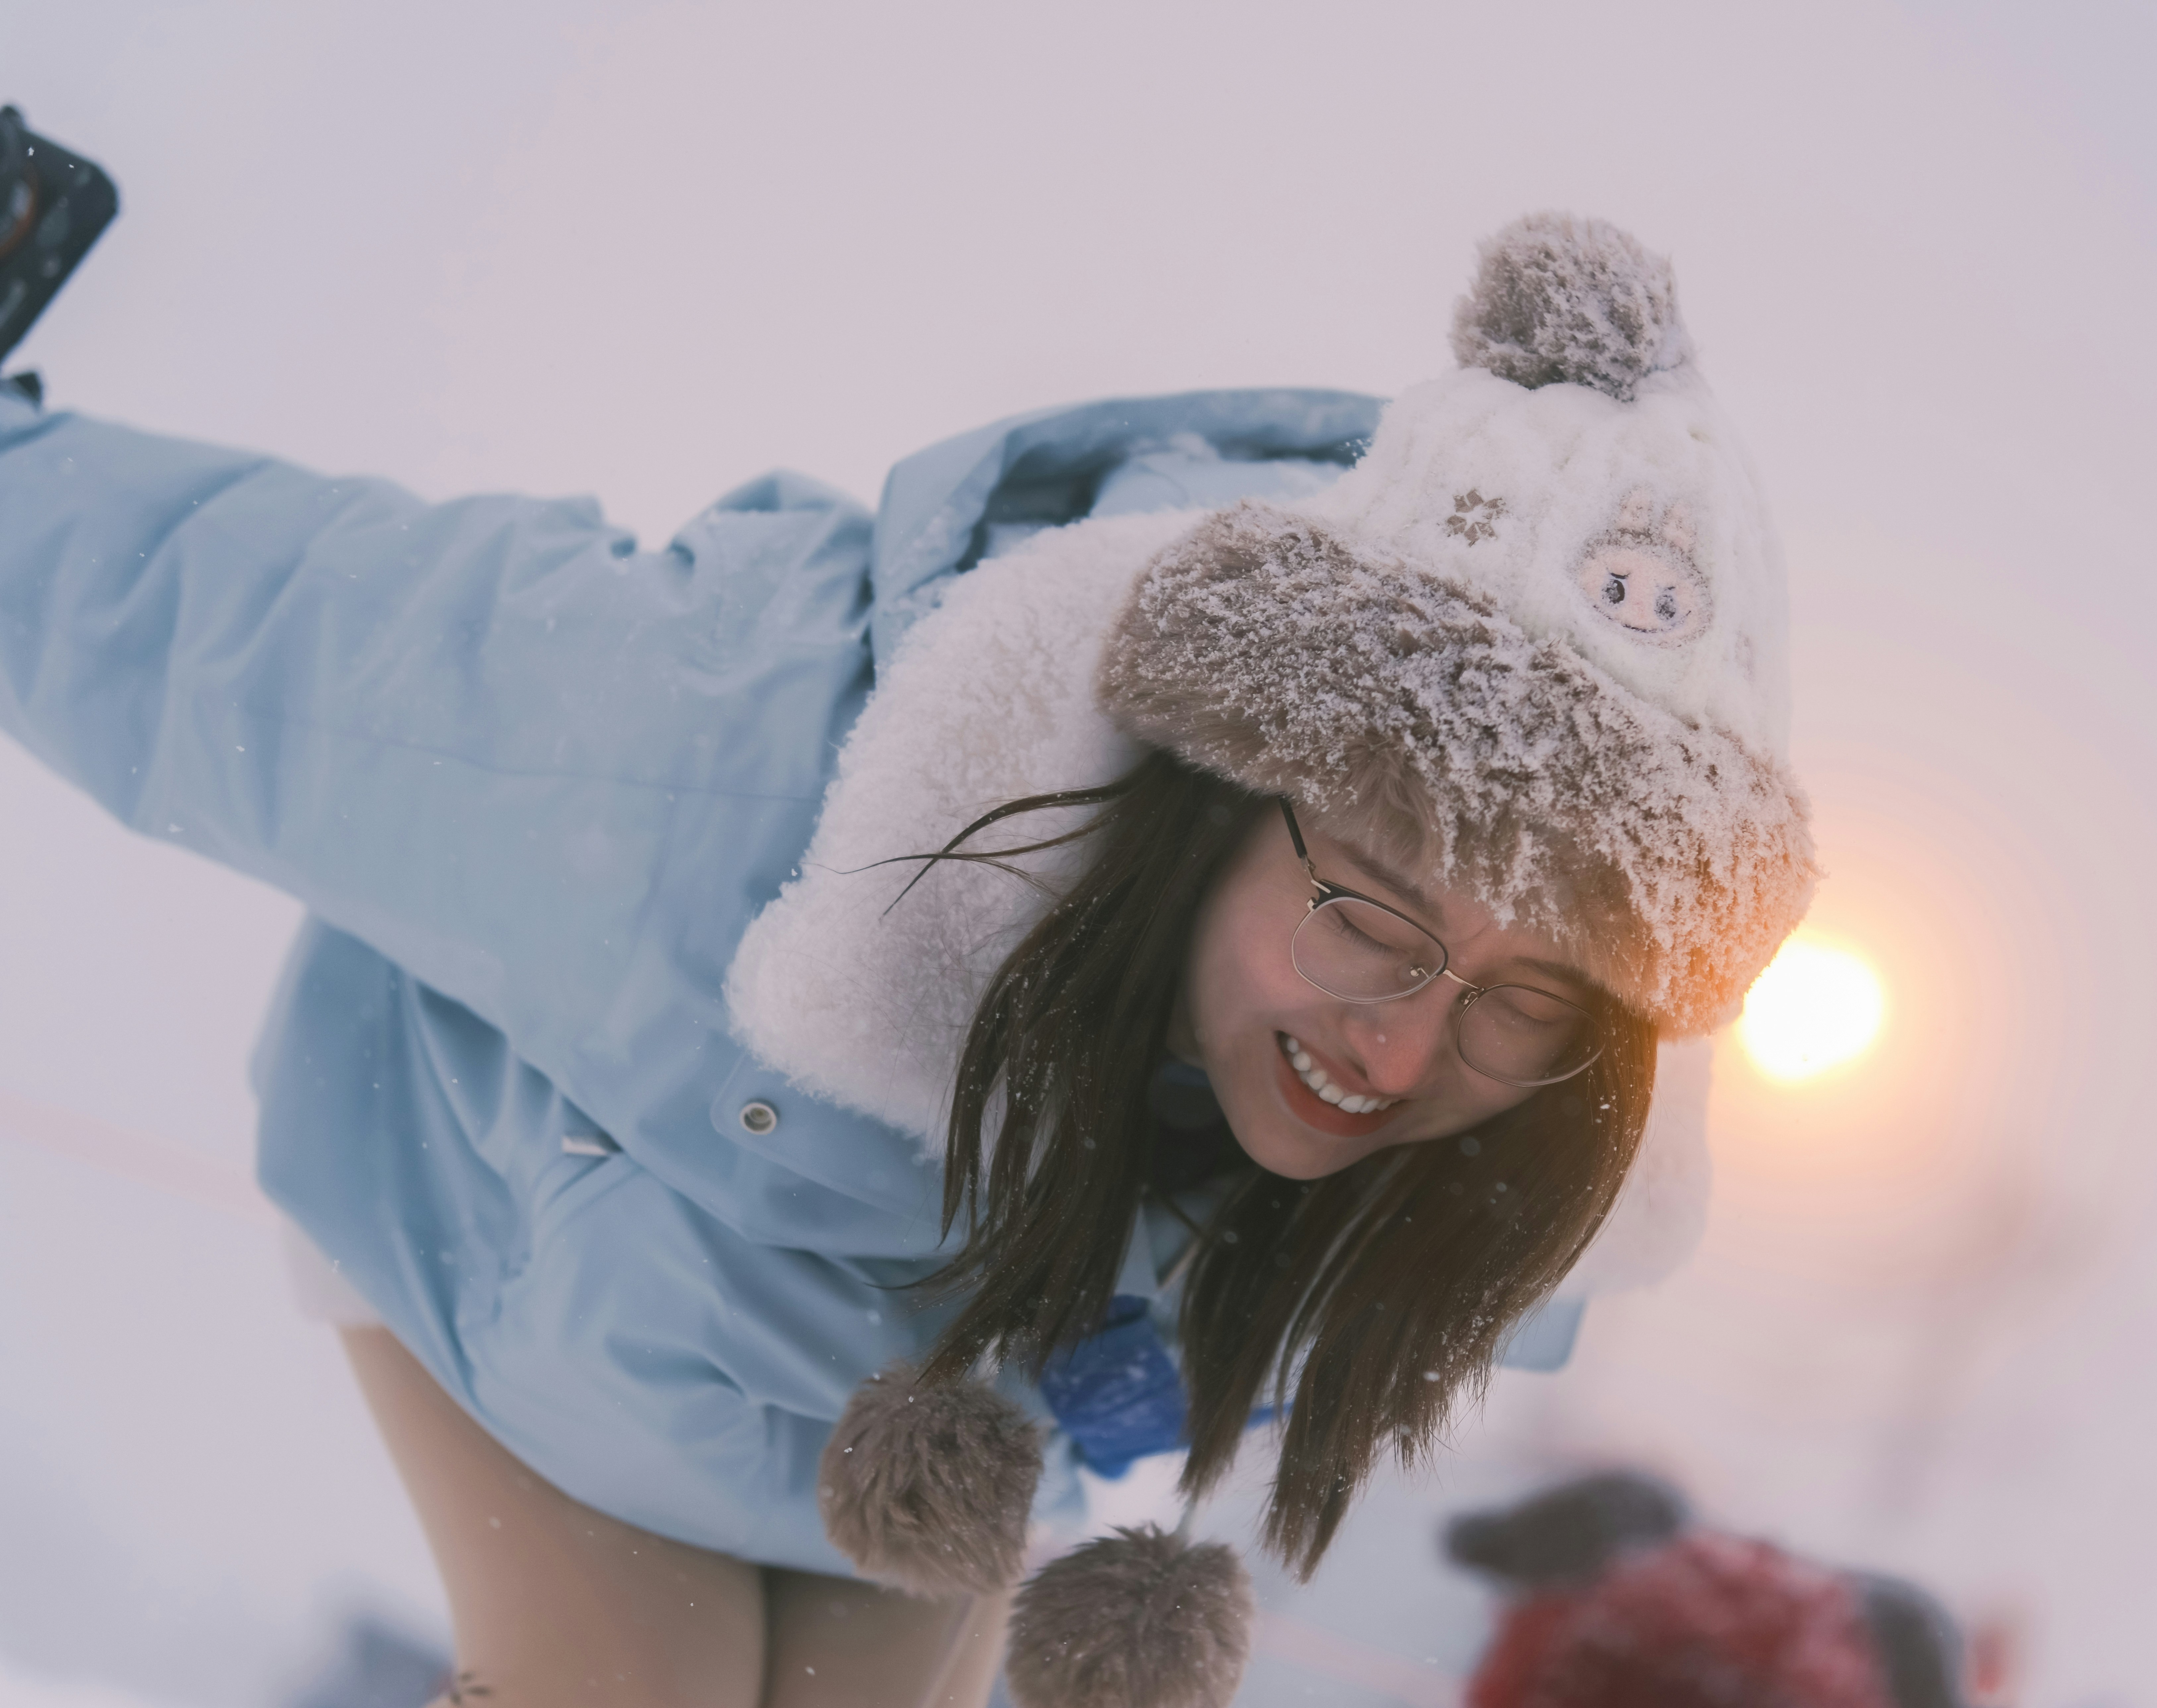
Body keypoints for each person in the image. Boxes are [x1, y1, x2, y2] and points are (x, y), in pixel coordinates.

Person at [0, 213, 1817, 1707]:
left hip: (894, 1433)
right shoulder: (731, 775)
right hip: (514, 1214)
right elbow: (259, 628)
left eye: (1522, 1001)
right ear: (1214, 798)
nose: (1407, 1048)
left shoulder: (1495, 1168)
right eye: (1371, 915)